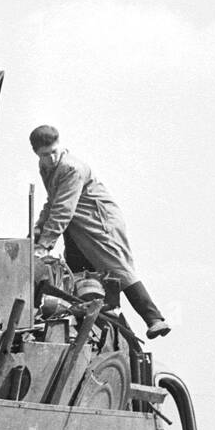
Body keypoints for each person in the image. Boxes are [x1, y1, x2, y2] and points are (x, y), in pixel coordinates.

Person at [29, 125, 170, 339]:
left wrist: (44, 246)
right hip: (78, 224)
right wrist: (36, 231)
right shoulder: (46, 166)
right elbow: (52, 203)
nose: (50, 158)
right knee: (77, 273)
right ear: (37, 154)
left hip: (99, 222)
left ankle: (155, 319)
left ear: (60, 146)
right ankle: (103, 324)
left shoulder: (70, 168)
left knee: (116, 268)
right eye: (44, 155)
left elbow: (62, 210)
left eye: (53, 151)